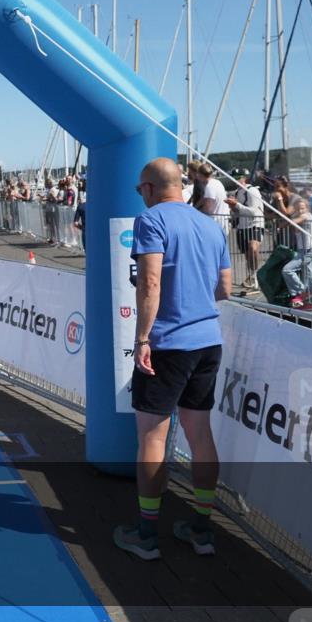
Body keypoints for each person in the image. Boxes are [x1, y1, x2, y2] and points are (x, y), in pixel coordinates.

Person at [114, 157, 231, 561]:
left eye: (139, 190)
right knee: (201, 435)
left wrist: (143, 337)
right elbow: (225, 288)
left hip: (168, 343)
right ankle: (202, 530)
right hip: (207, 341)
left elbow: (149, 281)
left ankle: (146, 534)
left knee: (152, 438)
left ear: (148, 188)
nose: (139, 196)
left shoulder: (151, 221)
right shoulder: (209, 224)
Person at [225, 168, 264, 290]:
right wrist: (232, 208)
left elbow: (254, 212)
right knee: (248, 255)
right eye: (233, 178)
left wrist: (236, 205)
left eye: (237, 178)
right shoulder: (237, 192)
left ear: (244, 178)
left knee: (253, 249)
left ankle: (256, 277)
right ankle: (252, 276)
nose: (235, 181)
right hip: (242, 226)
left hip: (255, 224)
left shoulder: (252, 191)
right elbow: (238, 211)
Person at [281, 194, 312, 310]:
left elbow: (293, 221)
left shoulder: (307, 216)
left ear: (307, 208)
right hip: (302, 251)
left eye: (303, 208)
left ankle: (302, 296)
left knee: (291, 271)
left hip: (309, 251)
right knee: (308, 277)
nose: (301, 210)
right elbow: (295, 225)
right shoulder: (299, 220)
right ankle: (305, 298)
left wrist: (283, 224)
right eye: (298, 208)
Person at [194, 163, 230, 233]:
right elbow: (203, 198)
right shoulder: (217, 182)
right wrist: (194, 208)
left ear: (201, 175)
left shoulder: (209, 187)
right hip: (223, 221)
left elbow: (208, 209)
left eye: (198, 175)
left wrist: (196, 214)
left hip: (215, 224)